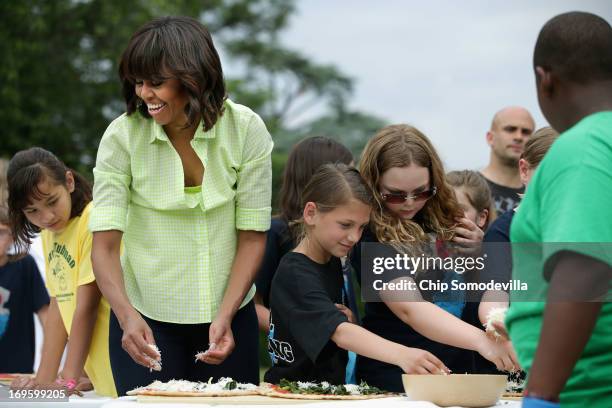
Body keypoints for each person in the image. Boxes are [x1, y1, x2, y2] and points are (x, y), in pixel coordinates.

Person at [89, 16, 273, 395]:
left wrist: (226, 314)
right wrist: (126, 317)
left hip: (229, 316)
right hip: (144, 318)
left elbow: (252, 238)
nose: (145, 94)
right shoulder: (121, 137)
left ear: (195, 77)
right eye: (138, 82)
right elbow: (104, 248)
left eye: (156, 83)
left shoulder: (247, 129)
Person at [351, 125, 518, 392]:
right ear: (373, 185)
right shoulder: (368, 233)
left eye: (421, 192)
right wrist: (483, 341)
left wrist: (479, 253)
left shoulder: (446, 216)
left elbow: (481, 285)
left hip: (461, 372)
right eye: (394, 194)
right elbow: (410, 308)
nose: (409, 203)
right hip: (397, 380)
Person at [506, 12, 612, 407]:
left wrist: (541, 395)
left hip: (586, 392)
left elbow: (584, 270)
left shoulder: (583, 147)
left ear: (545, 78)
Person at [264, 163, 449, 385]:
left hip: (327, 391)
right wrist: (403, 355)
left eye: (362, 227)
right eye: (345, 225)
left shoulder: (332, 258)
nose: (354, 237)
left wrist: (349, 319)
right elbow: (340, 332)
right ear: (311, 213)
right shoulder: (295, 272)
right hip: (293, 393)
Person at [6, 148, 116, 396]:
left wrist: (66, 380)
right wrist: (43, 383)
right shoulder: (50, 232)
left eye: (52, 201)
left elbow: (86, 308)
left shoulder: (93, 220)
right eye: (31, 211)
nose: (46, 217)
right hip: (97, 374)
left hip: (121, 364)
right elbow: (59, 306)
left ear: (69, 182)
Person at [467, 127, 558, 375]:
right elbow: (492, 301)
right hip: (514, 368)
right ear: (525, 171)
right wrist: (503, 325)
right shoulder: (503, 233)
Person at [255, 136, 354, 331]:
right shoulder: (275, 232)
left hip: (344, 352)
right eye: (348, 174)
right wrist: (301, 329)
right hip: (299, 355)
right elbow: (252, 306)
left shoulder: (345, 232)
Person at [0, 205, 50, 374]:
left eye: (0, 233)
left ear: (13, 236)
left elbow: (47, 316)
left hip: (17, 373)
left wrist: (47, 366)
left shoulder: (24, 265)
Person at [480, 106, 535, 214]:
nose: (519, 137)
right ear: (490, 138)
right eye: (510, 129)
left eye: (526, 132)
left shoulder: (539, 194)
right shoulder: (465, 187)